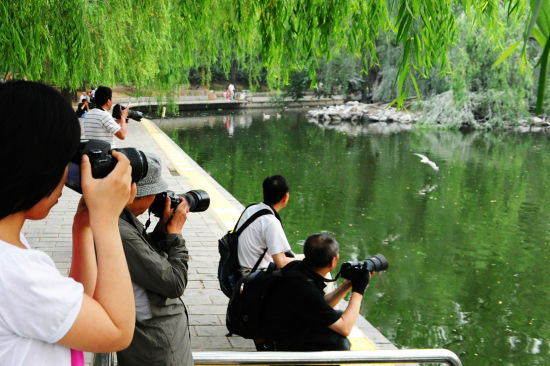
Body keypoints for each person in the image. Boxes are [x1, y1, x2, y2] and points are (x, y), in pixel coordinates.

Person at [0, 80, 136, 365]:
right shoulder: (16, 274)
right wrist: (108, 221)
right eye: (65, 159)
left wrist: (83, 227)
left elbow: (76, 306)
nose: (67, 174)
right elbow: (116, 329)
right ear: (36, 166)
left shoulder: (10, 247)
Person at [116, 153, 192, 366]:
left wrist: (160, 232)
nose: (157, 199)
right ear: (134, 193)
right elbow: (175, 283)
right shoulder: (120, 230)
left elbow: (141, 260)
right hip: (157, 349)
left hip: (153, 342)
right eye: (155, 193)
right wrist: (175, 235)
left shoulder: (121, 220)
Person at [261, 232, 370, 351]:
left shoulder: (298, 268)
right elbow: (345, 328)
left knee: (337, 316)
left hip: (282, 328)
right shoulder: (305, 286)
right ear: (334, 261)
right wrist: (359, 290)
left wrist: (346, 285)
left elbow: (320, 304)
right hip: (277, 343)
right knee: (340, 343)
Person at [236, 175, 298, 276]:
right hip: (252, 276)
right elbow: (281, 262)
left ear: (263, 192)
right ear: (286, 197)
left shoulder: (250, 209)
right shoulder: (271, 222)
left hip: (238, 269)